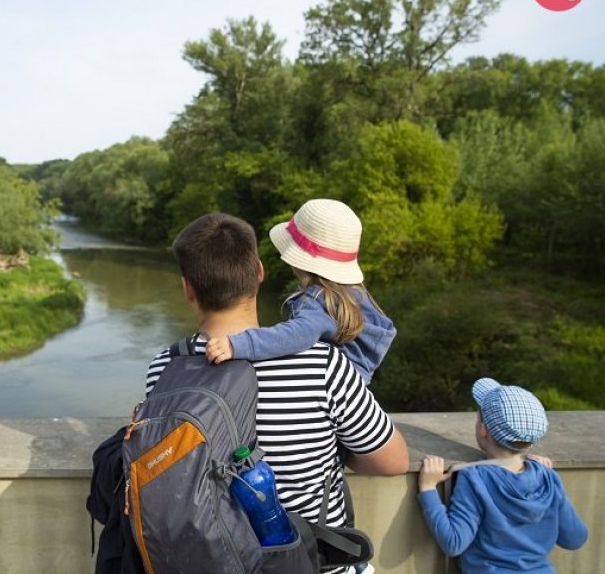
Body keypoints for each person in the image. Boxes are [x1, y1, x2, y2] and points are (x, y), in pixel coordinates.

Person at [145, 213, 409, 574]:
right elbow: (394, 463)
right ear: (259, 273)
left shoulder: (165, 367)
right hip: (312, 564)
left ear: (187, 288)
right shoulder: (323, 364)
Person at [206, 198, 394, 384]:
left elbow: (292, 335)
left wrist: (239, 344)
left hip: (327, 388)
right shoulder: (353, 295)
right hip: (349, 389)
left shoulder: (319, 301)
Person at [418, 378, 588, 573]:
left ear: (483, 430)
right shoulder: (547, 477)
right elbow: (575, 539)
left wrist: (428, 489)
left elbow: (454, 543)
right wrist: (548, 478)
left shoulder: (475, 478)